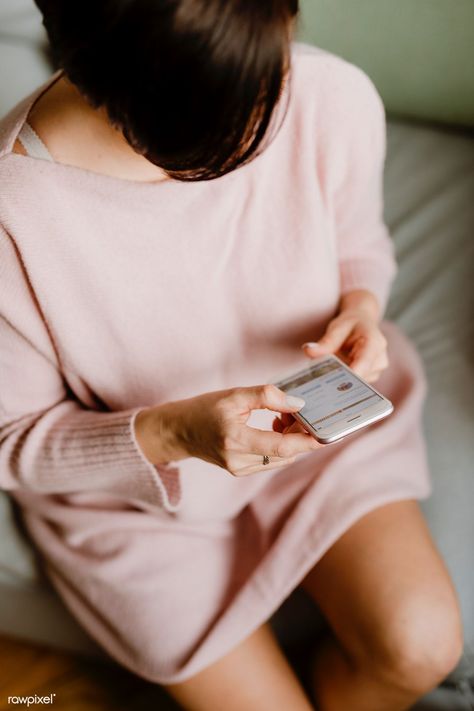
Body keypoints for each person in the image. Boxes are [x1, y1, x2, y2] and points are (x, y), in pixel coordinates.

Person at [0, 1, 463, 709]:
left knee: (421, 647)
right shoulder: (16, 215)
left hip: (319, 430)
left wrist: (361, 304)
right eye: (234, 108)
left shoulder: (327, 96)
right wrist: (174, 433)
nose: (271, 108)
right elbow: (12, 441)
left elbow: (361, 245)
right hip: (138, 505)